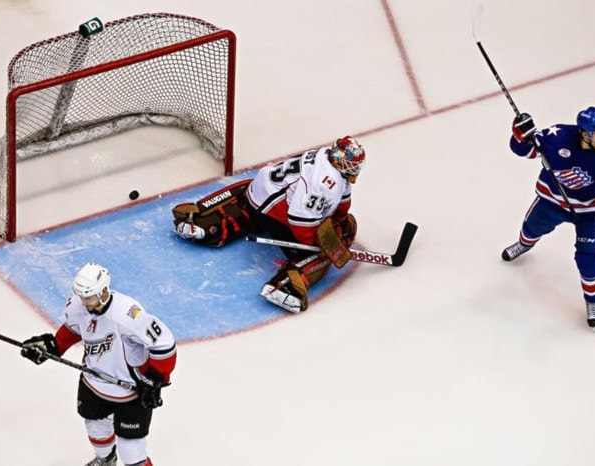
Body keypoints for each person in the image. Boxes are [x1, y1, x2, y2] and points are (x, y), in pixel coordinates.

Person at [173, 136, 365, 313]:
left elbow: (343, 197)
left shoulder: (326, 156)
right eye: (353, 165)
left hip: (256, 192)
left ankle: (205, 222)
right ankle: (285, 286)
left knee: (247, 204)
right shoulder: (324, 181)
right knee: (319, 253)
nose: (356, 169)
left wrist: (340, 218)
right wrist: (315, 244)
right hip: (274, 214)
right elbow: (299, 221)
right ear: (343, 162)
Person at [502, 107, 595, 327]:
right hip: (552, 202)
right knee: (530, 229)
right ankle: (524, 245)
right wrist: (520, 136)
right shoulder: (557, 137)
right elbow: (524, 151)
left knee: (588, 261)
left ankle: (593, 302)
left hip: (591, 214)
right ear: (584, 133)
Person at [20, 263, 177, 466]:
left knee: (131, 451)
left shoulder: (128, 314)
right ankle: (106, 461)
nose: (85, 302)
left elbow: (164, 344)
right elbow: (74, 329)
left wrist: (156, 378)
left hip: (131, 390)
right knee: (95, 427)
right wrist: (53, 346)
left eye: (89, 297)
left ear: (103, 292)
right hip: (93, 381)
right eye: (82, 297)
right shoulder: (78, 306)